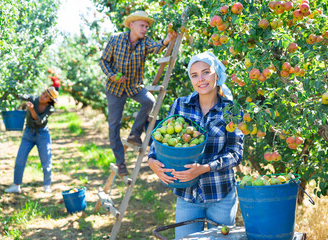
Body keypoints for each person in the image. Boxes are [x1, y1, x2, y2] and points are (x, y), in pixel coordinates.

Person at [148, 52, 244, 239]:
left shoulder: (231, 110)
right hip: (187, 195)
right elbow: (161, 139)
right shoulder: (180, 105)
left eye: (206, 72)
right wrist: (152, 160)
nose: (201, 79)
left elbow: (235, 153)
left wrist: (204, 168)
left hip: (221, 194)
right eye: (194, 75)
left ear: (217, 74)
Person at [99, 10, 177, 176]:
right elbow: (104, 60)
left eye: (147, 27)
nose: (145, 29)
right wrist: (112, 75)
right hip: (115, 88)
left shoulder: (145, 42)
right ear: (132, 25)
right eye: (142, 25)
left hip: (134, 85)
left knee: (149, 101)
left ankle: (135, 133)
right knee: (114, 125)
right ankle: (120, 163)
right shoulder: (116, 39)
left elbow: (156, 48)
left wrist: (167, 40)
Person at [5, 87, 59, 193]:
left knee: (46, 160)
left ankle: (47, 185)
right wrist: (11, 91)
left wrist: (32, 110)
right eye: (43, 93)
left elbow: (39, 121)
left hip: (42, 134)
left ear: (50, 101)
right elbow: (23, 95)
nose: (43, 96)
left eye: (46, 96)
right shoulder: (33, 99)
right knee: (20, 159)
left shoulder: (50, 109)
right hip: (28, 133)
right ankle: (16, 185)